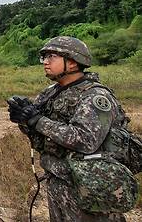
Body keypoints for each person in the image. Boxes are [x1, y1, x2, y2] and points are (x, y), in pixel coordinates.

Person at [8, 36, 137, 221]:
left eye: (51, 56)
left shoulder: (95, 96)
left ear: (73, 62)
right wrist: (23, 119)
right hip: (57, 181)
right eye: (43, 57)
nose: (45, 62)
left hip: (89, 186)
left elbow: (85, 140)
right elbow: (40, 135)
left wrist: (37, 120)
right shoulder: (50, 92)